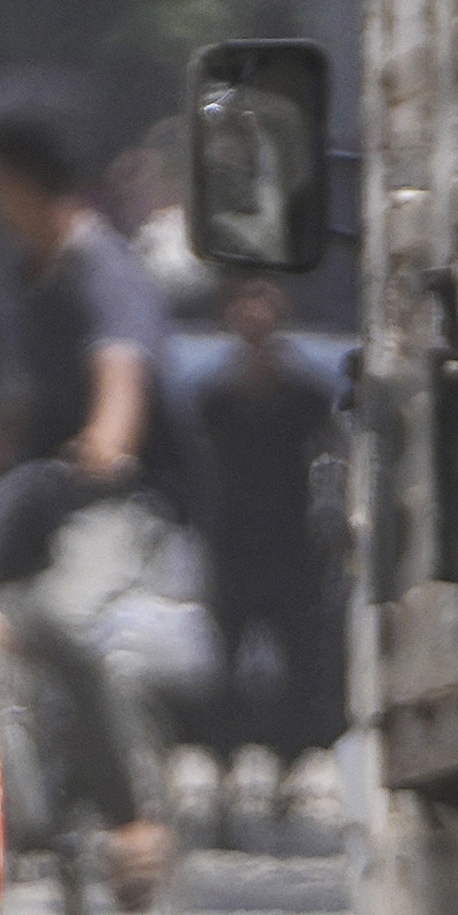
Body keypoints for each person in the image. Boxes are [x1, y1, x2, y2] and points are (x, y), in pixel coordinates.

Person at [0, 112, 178, 913]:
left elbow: (122, 365)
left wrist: (108, 439)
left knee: (66, 620)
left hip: (115, 500)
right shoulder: (28, 273)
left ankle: (131, 817)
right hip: (41, 494)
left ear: (24, 179)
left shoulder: (98, 265)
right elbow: (30, 393)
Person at [186, 273, 348, 809]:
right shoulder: (214, 398)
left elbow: (332, 466)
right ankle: (223, 769)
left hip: (291, 543)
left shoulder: (308, 397)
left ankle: (289, 766)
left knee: (299, 660)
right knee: (223, 664)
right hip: (233, 544)